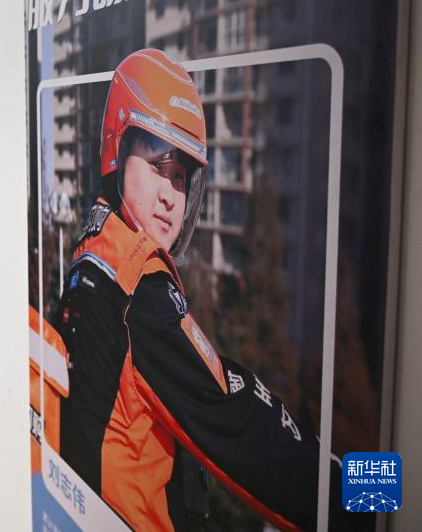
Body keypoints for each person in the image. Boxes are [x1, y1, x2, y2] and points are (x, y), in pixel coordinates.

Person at [56, 49, 358, 531]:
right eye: (157, 165)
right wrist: (375, 489)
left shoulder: (95, 248)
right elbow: (238, 423)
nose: (170, 196)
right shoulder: (137, 292)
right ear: (117, 150)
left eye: (180, 177)